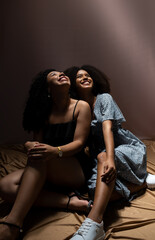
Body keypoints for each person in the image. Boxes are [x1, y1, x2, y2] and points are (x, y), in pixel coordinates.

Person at [0, 69, 92, 240]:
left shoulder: (81, 106)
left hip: (75, 167)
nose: (60, 74)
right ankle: (70, 202)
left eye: (61, 73)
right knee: (5, 186)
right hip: (47, 165)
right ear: (48, 89)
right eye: (53, 75)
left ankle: (13, 223)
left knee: (40, 155)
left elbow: (79, 144)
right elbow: (37, 142)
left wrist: (55, 151)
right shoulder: (44, 112)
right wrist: (29, 144)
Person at [64, 65, 154, 240]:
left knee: (103, 157)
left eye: (88, 75)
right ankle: (142, 183)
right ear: (73, 85)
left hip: (123, 147)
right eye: (79, 76)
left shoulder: (104, 98)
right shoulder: (78, 108)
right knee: (95, 192)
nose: (85, 77)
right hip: (101, 154)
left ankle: (94, 223)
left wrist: (110, 158)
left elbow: (107, 128)